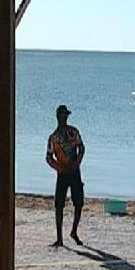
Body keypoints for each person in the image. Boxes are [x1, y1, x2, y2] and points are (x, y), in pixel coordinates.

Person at [46, 104, 86, 247]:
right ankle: (59, 238)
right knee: (59, 205)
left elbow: (82, 147)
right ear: (57, 117)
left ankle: (74, 231)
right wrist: (59, 167)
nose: (64, 118)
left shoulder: (73, 132)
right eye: (62, 115)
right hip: (62, 174)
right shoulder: (53, 137)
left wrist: (77, 163)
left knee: (79, 203)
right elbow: (48, 157)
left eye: (66, 115)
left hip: (74, 172)